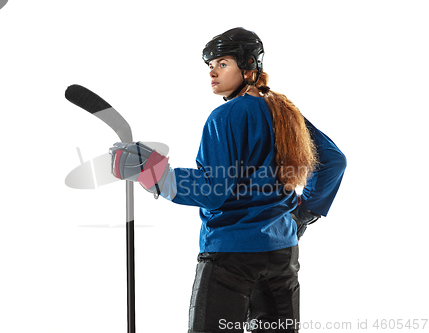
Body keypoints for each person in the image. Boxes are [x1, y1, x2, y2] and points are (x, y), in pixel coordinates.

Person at [110, 27, 346, 333]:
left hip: (231, 256)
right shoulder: (285, 113)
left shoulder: (224, 117)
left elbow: (212, 190)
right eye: (210, 66)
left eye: (222, 64)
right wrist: (304, 214)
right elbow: (332, 160)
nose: (212, 73)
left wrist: (153, 173)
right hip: (282, 253)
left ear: (249, 66)